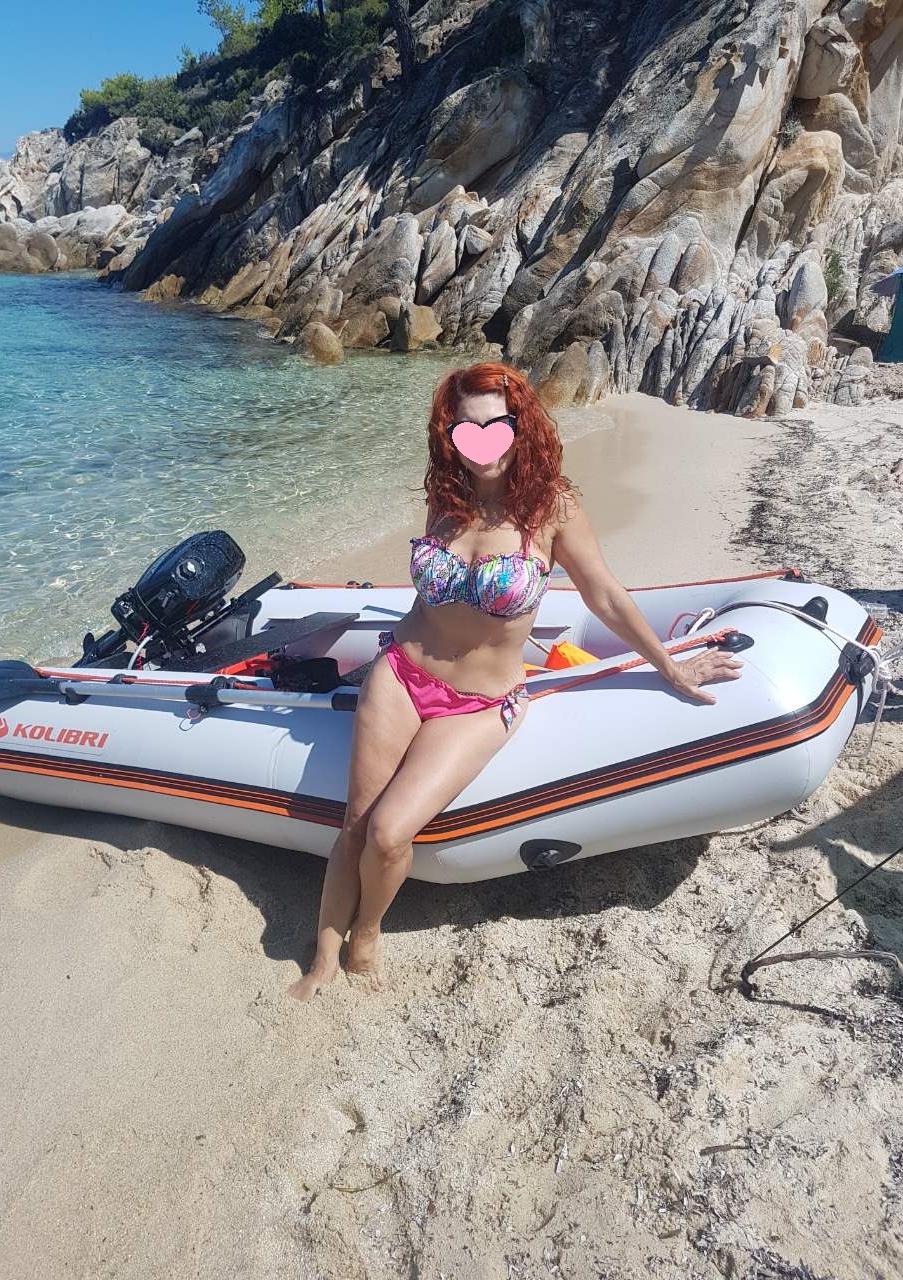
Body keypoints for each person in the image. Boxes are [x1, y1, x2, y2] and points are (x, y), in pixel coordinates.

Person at [287, 362, 743, 1000]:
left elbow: (605, 595)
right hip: (402, 674)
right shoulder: (446, 497)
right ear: (449, 434)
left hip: (479, 702)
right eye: (465, 430)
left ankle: (367, 932)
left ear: (520, 426)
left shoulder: (552, 507)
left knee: (390, 832)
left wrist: (669, 665)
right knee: (357, 824)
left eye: (495, 426)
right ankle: (323, 957)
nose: (481, 444)